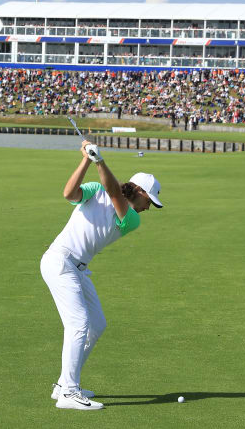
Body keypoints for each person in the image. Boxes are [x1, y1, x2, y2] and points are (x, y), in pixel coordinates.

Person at [41, 140, 163, 410]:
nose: (149, 207)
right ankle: (69, 393)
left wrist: (100, 161)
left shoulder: (131, 219)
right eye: (149, 200)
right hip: (60, 261)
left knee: (97, 324)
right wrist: (87, 159)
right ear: (140, 191)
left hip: (78, 269)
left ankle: (64, 383)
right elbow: (69, 194)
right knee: (78, 324)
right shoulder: (95, 190)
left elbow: (115, 193)